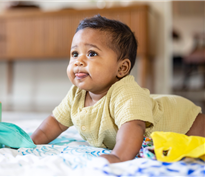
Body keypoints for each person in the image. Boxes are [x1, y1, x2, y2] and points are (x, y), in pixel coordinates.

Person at [30, 15, 205, 163]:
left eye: (91, 53)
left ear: (121, 68)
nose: (78, 61)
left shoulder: (125, 92)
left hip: (181, 119)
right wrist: (31, 141)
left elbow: (133, 127)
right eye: (75, 54)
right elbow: (55, 122)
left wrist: (119, 156)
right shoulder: (76, 94)